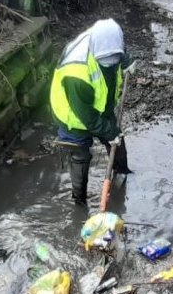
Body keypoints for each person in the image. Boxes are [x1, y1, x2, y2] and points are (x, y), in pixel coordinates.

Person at [50, 19, 134, 204]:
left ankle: (122, 176)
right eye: (107, 62)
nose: (111, 64)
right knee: (80, 155)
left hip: (101, 104)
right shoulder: (76, 72)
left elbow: (119, 50)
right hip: (73, 116)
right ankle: (79, 200)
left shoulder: (108, 39)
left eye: (115, 60)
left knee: (117, 141)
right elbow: (87, 118)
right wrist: (109, 131)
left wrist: (126, 60)